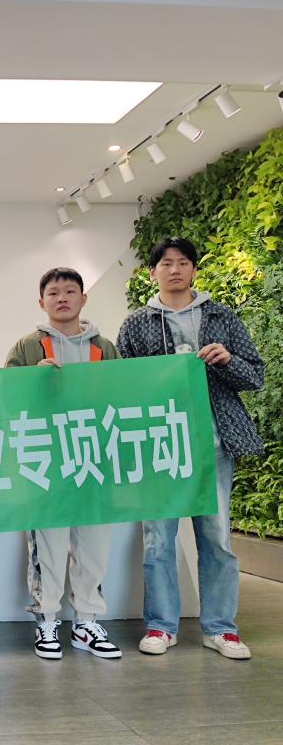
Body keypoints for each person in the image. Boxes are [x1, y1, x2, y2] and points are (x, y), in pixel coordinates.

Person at [118, 237, 264, 660]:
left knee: (217, 538)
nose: (175, 269)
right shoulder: (136, 324)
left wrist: (228, 360)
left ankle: (221, 629)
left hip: (213, 442)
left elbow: (256, 375)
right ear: (153, 273)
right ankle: (161, 626)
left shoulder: (221, 316)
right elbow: (122, 386)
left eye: (183, 262)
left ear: (194, 270)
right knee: (157, 540)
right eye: (166, 263)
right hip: (159, 445)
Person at [5, 267, 122, 660]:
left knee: (94, 544)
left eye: (70, 291)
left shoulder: (104, 347)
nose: (62, 298)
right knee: (49, 544)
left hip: (94, 459)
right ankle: (47, 620)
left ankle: (86, 621)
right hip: (47, 462)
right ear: (42, 302)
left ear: (83, 298)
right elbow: (6, 398)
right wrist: (31, 381)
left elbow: (123, 395)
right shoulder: (27, 347)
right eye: (53, 293)